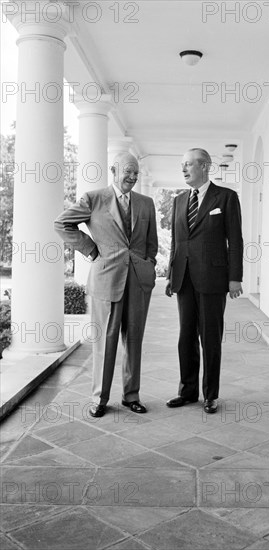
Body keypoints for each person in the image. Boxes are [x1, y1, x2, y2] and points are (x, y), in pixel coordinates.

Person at [54, 153, 158, 417]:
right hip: (106, 280)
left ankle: (131, 396)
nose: (132, 177)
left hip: (138, 282)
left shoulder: (146, 203)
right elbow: (62, 224)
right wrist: (90, 250)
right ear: (114, 170)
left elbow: (151, 242)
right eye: (128, 172)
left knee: (134, 341)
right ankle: (100, 398)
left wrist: (149, 265)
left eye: (136, 173)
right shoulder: (94, 198)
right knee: (105, 342)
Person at [165, 148, 243, 414]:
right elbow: (177, 241)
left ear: (205, 167)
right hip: (184, 278)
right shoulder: (178, 200)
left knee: (210, 338)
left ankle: (210, 395)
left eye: (188, 165)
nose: (184, 170)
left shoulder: (227, 197)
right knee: (185, 337)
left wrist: (235, 278)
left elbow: (235, 241)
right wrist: (170, 274)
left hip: (213, 279)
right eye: (182, 165)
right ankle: (187, 391)